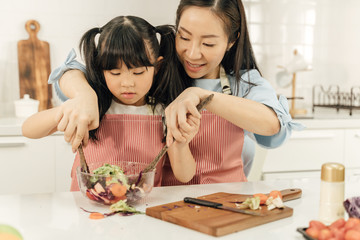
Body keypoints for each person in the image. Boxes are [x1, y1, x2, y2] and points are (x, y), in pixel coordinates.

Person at [46, 0, 303, 185]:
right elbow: (67, 72)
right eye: (185, 37)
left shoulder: (244, 83)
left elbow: (272, 126)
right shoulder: (155, 74)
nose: (192, 53)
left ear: (232, 41)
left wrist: (203, 98)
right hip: (167, 208)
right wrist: (85, 95)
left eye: (208, 43)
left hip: (227, 202)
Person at [22, 16, 199, 190]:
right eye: (115, 73)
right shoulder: (91, 105)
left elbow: (185, 175)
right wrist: (65, 110)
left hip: (141, 209)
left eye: (138, 72)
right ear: (101, 69)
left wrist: (182, 142)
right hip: (88, 210)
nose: (127, 83)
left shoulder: (165, 111)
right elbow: (28, 129)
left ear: (157, 67)